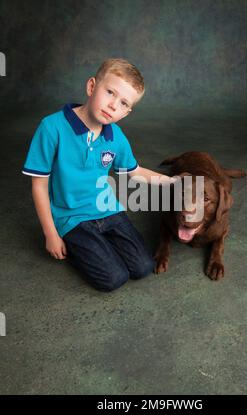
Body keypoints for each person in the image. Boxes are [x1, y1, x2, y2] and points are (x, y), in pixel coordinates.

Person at [22, 58, 175, 292]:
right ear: (92, 87)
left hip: (107, 209)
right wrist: (50, 233)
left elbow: (134, 172)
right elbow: (39, 185)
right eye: (110, 92)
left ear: (126, 112)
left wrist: (172, 182)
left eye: (123, 103)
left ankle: (98, 248)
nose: (114, 105)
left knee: (143, 267)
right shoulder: (51, 127)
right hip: (72, 217)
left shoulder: (116, 137)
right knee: (114, 279)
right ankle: (80, 248)